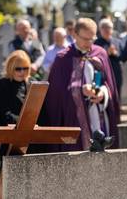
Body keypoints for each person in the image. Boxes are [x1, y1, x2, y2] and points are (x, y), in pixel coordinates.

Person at [43, 18, 120, 152]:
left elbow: (110, 84)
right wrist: (80, 90)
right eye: (85, 39)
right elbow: (56, 95)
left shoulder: (100, 54)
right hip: (75, 121)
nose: (89, 44)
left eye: (92, 39)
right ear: (74, 35)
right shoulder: (63, 58)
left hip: (100, 116)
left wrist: (103, 93)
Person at [95, 18, 123, 97]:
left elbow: (123, 57)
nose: (107, 29)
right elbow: (95, 58)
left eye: (109, 27)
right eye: (104, 27)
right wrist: (107, 53)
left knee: (117, 97)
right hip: (103, 75)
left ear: (112, 29)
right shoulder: (96, 43)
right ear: (100, 29)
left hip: (116, 74)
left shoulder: (117, 42)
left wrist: (115, 53)